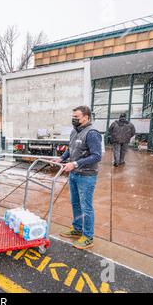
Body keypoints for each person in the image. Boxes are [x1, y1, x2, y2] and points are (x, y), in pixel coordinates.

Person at [54, 106, 102, 250]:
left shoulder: (92, 133)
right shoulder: (75, 131)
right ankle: (77, 229)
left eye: (77, 117)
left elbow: (97, 156)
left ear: (86, 117)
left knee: (86, 207)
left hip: (86, 176)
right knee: (75, 203)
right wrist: (62, 159)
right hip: (74, 174)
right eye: (73, 116)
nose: (74, 119)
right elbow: (71, 149)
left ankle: (88, 237)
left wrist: (75, 163)